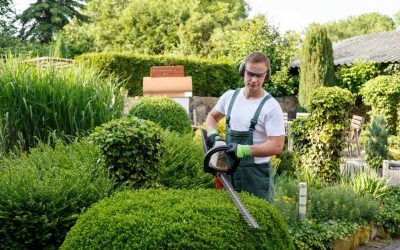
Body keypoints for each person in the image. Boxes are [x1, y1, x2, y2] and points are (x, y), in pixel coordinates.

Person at [205, 51, 285, 203]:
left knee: (259, 221)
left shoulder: (271, 106)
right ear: (243, 71)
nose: (254, 80)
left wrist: (244, 150)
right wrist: (214, 136)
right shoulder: (230, 97)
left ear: (266, 76)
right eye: (250, 74)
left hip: (255, 176)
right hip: (228, 171)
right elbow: (212, 117)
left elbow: (277, 145)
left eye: (259, 75)